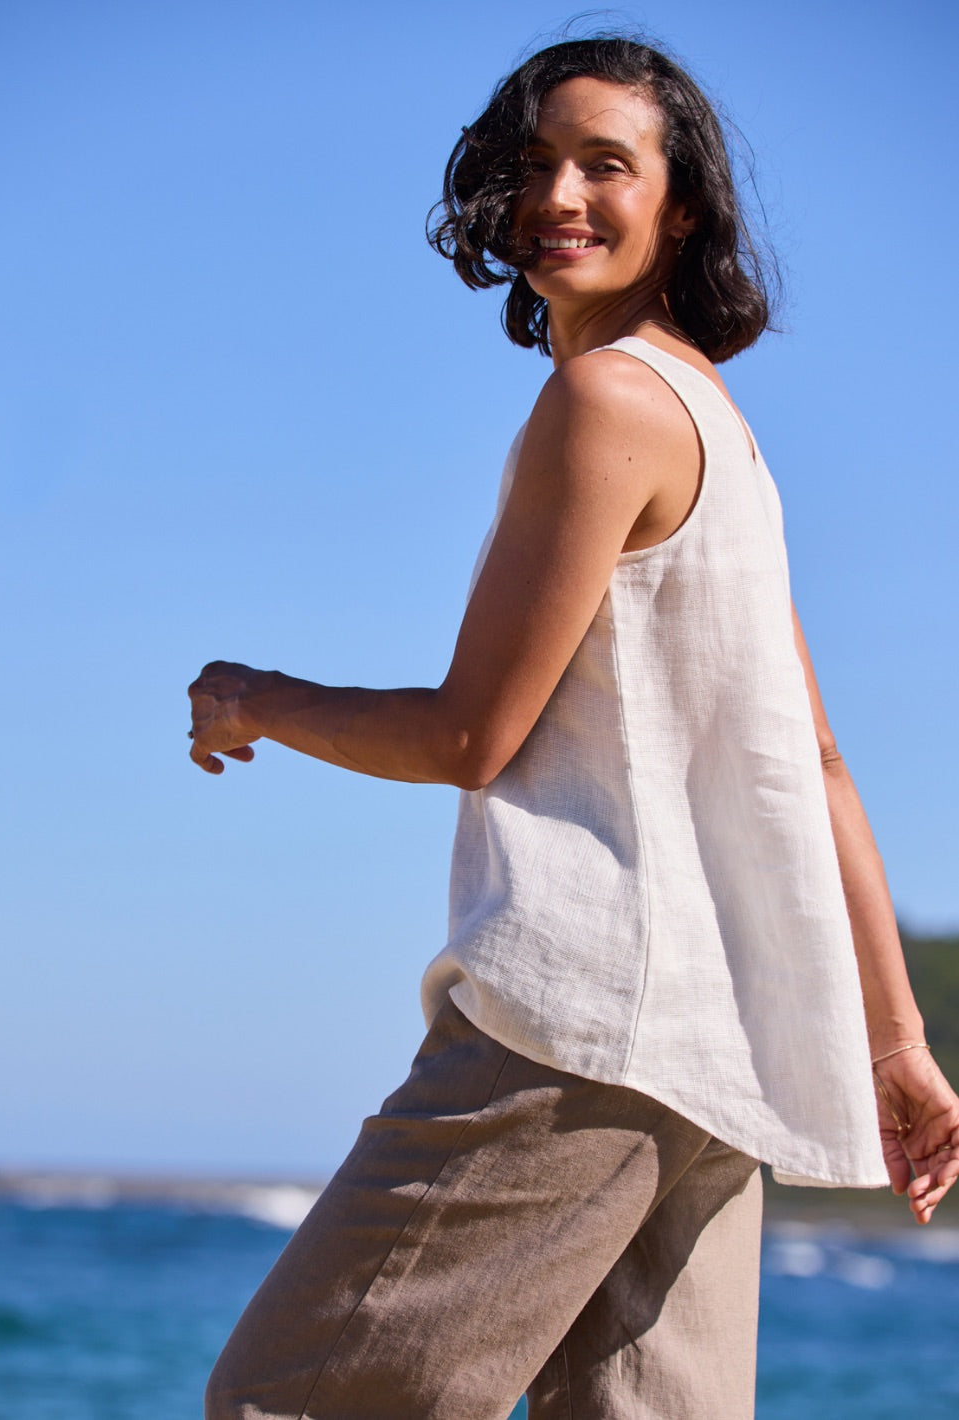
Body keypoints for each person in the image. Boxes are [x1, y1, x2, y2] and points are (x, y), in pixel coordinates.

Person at [190, 36, 959, 1420]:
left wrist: (254, 699)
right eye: (534, 161)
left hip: (582, 1031)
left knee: (287, 1400)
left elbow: (471, 738)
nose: (560, 191)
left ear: (682, 207)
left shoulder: (602, 402)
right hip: (711, 1058)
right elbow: (819, 760)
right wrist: (893, 1040)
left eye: (607, 163)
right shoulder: (718, 428)